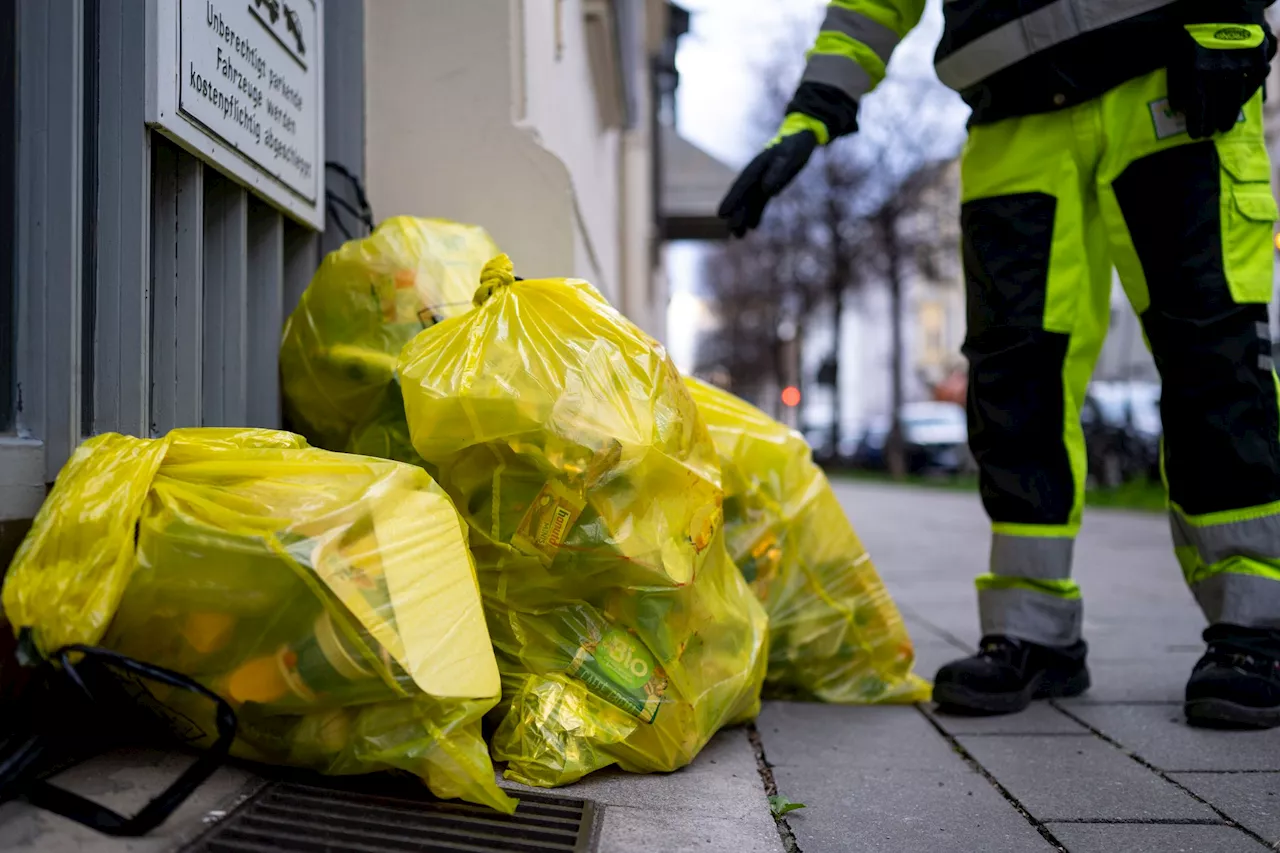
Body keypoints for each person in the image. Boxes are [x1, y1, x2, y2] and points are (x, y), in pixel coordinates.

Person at [719, 0, 1280, 728]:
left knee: (1212, 358)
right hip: (1011, 118)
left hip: (1170, 77)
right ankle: (1033, 631)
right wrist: (814, 109)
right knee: (1015, 383)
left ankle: (1254, 626)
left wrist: (1230, 12)